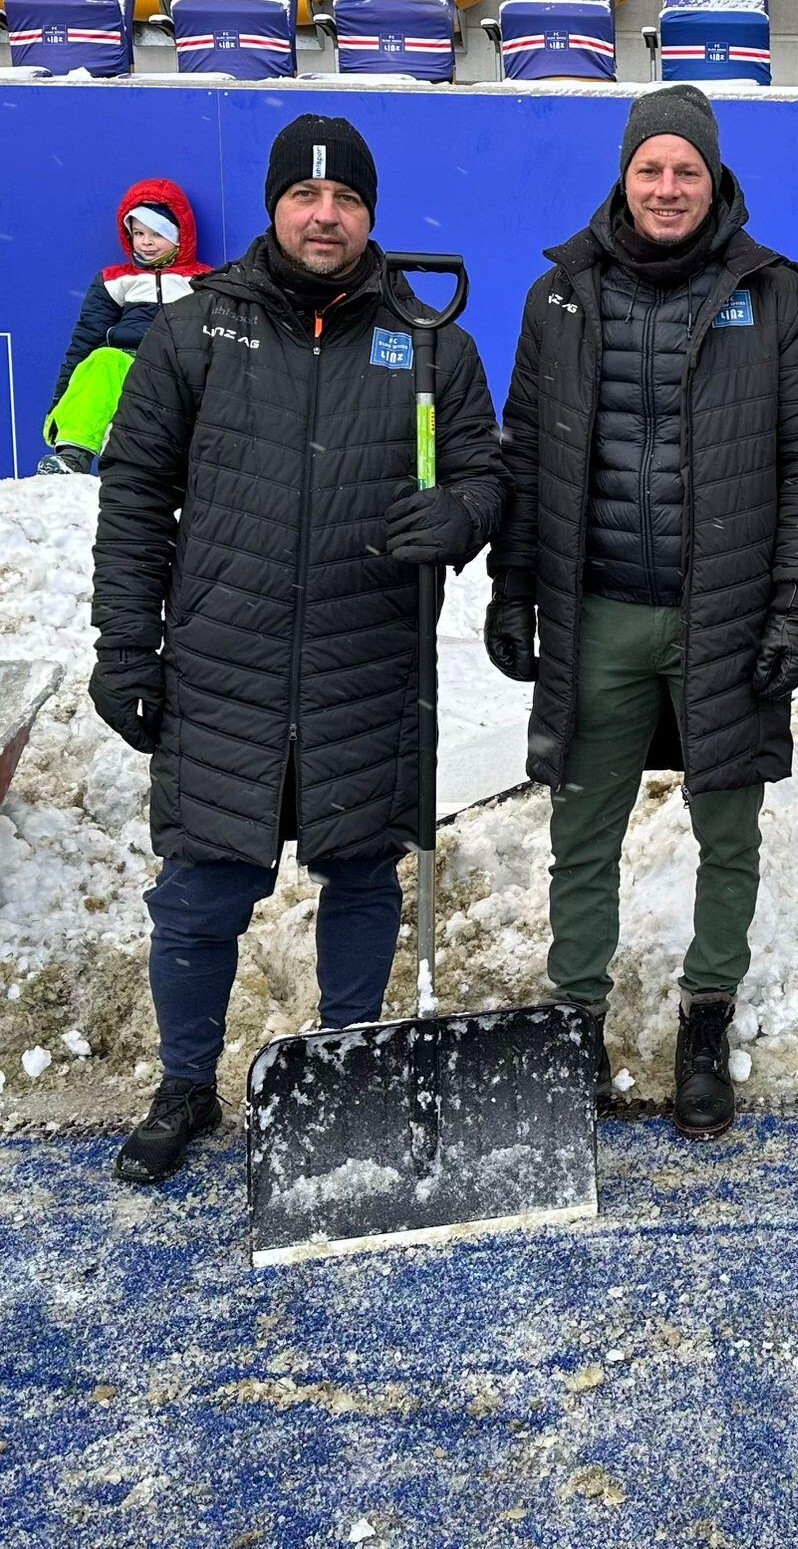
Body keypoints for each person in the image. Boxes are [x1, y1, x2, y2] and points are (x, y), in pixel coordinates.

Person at [90, 115, 506, 1186]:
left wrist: (458, 518)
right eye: (305, 198)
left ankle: (348, 1065)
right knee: (199, 895)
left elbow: (483, 474)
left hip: (365, 665)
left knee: (363, 878)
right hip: (222, 665)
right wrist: (127, 646)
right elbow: (136, 492)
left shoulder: (430, 343)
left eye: (348, 201)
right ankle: (185, 1080)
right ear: (276, 206)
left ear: (370, 213)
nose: (326, 218)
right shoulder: (195, 333)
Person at [485, 88, 798, 1140]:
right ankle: (576, 1018)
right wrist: (512, 586)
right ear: (624, 174)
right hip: (597, 609)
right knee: (581, 829)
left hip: (724, 614)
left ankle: (705, 1013)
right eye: (651, 169)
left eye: (685, 169)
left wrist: (795, 602)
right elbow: (527, 448)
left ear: (714, 176)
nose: (668, 187)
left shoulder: (774, 296)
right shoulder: (561, 295)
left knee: (725, 827)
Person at [40, 179, 211, 475]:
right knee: (102, 361)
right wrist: (60, 400)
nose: (146, 242)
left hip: (180, 363)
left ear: (180, 235)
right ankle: (73, 455)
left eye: (158, 233)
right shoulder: (115, 280)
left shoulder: (204, 280)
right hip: (128, 361)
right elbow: (85, 340)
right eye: (139, 233)